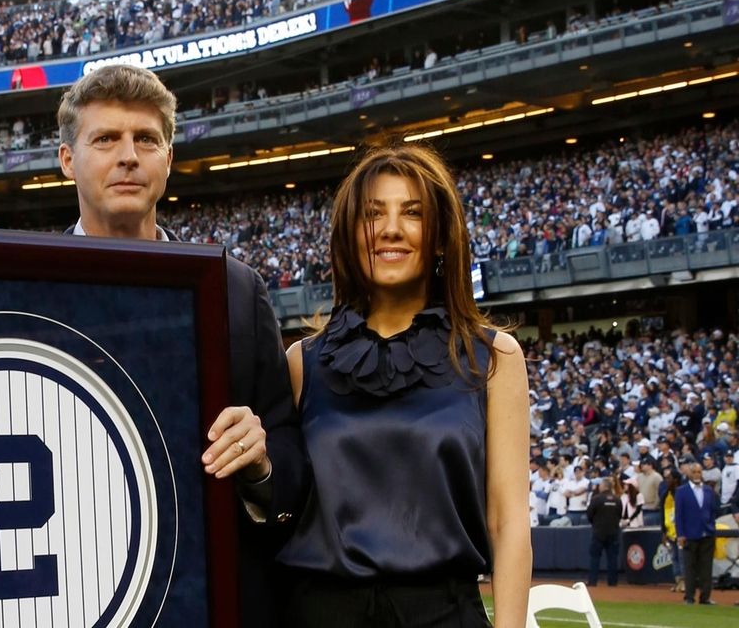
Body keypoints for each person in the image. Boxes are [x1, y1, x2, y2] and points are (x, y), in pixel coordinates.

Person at [56, 64, 309, 626]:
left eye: (146, 139)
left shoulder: (237, 291)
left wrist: (261, 459)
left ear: (169, 160)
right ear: (68, 160)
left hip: (207, 594)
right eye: (105, 139)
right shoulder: (22, 289)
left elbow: (291, 459)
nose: (128, 156)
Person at [278, 143, 530, 627]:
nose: (391, 228)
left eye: (412, 213)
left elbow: (508, 521)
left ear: (439, 237)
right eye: (373, 214)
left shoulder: (495, 357)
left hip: (445, 613)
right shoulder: (301, 363)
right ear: (349, 237)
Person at [675, 462, 718, 605]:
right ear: (689, 474)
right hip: (689, 534)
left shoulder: (708, 490)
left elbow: (712, 511)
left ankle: (705, 597)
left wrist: (711, 527)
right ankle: (689, 597)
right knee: (690, 567)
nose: (697, 475)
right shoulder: (682, 491)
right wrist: (680, 534)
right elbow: (679, 515)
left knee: (706, 567)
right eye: (694, 472)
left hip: (707, 533)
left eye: (699, 472)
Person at [587, 478, 622, 587]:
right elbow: (620, 514)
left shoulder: (597, 499)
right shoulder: (617, 500)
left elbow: (589, 514)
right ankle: (613, 582)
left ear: (604, 486)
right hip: (613, 531)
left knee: (595, 557)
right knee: (612, 558)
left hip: (599, 532)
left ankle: (593, 581)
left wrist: (596, 523)